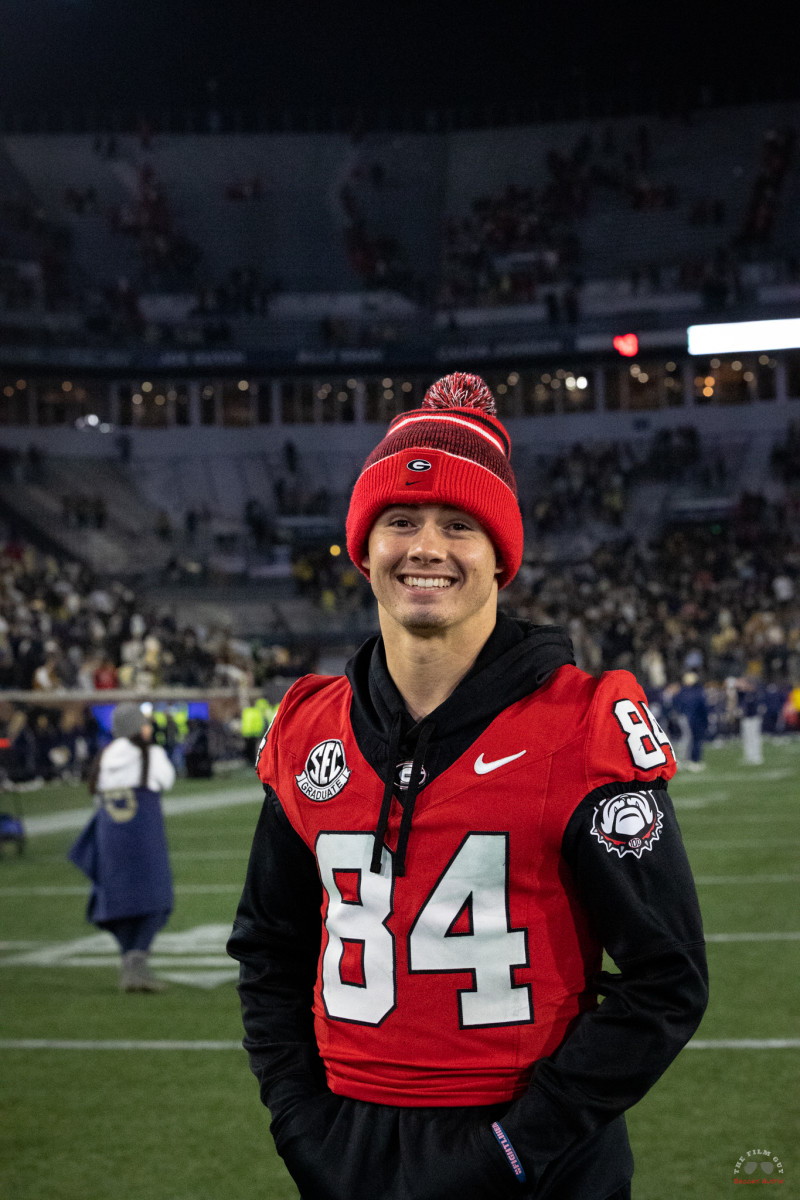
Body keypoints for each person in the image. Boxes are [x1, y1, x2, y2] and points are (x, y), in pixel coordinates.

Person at [228, 373, 708, 1200]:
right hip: (350, 1146)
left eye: (460, 525)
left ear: (500, 557)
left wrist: (519, 1148)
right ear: (362, 546)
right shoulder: (307, 728)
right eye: (401, 520)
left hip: (535, 1157)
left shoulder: (584, 725)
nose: (427, 547)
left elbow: (667, 981)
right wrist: (298, 1121)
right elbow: (270, 952)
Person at [68, 702, 176, 993]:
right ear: (138, 727)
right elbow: (167, 778)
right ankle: (135, 961)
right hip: (142, 837)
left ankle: (130, 962)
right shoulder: (151, 754)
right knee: (157, 900)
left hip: (110, 837)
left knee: (118, 903)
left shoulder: (105, 756)